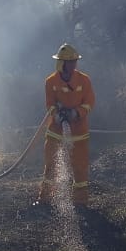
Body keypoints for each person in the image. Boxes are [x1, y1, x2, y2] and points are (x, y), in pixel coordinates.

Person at [36, 43, 95, 207]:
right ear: (61, 63)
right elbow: (49, 103)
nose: (74, 64)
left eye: (75, 61)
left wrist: (77, 113)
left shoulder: (84, 80)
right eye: (70, 62)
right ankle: (45, 198)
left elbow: (90, 102)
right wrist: (57, 115)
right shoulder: (50, 81)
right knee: (50, 165)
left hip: (79, 132)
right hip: (55, 130)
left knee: (80, 168)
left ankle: (80, 202)